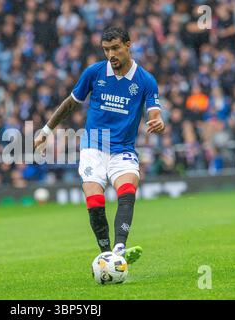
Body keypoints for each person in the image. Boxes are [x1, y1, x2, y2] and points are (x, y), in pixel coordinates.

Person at [34, 27, 165, 264]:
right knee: (94, 196)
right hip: (93, 146)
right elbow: (70, 104)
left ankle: (119, 248)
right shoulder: (94, 72)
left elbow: (154, 111)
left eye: (115, 48)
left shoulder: (145, 80)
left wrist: (157, 120)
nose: (111, 54)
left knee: (127, 189)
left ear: (128, 45)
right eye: (106, 50)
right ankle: (106, 252)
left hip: (123, 148)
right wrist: (46, 130)